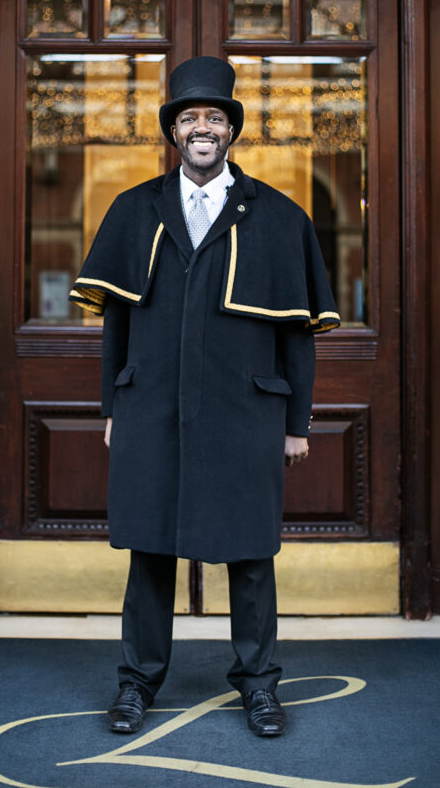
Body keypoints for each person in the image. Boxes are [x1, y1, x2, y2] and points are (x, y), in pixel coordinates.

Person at [70, 56, 339, 737]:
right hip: (151, 410)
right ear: (173, 131)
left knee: (251, 556)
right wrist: (111, 408)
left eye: (214, 118)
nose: (201, 128)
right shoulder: (134, 212)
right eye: (189, 117)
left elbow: (298, 337)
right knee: (150, 552)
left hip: (247, 413)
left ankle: (258, 684)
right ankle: (137, 683)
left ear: (230, 131)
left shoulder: (280, 219)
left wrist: (297, 423)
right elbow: (117, 323)